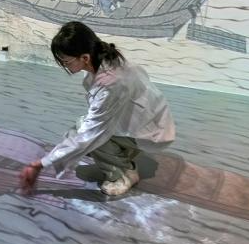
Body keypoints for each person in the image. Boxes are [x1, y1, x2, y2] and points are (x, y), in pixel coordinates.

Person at [19, 22, 175, 197]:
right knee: (83, 129)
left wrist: (40, 164)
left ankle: (124, 174)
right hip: (150, 120)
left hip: (151, 131)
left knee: (89, 135)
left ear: (84, 58)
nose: (64, 65)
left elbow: (90, 133)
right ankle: (122, 151)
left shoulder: (110, 83)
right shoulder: (107, 58)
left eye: (66, 61)